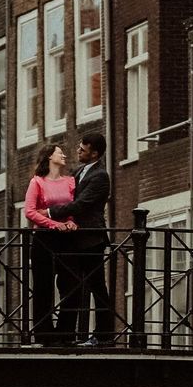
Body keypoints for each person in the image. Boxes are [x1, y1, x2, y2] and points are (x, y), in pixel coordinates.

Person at [62, 130, 113, 345]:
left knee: (97, 285)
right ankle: (67, 334)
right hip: (75, 238)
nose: (78, 151)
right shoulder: (79, 171)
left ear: (95, 154)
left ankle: (103, 335)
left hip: (91, 238)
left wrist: (50, 212)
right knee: (70, 285)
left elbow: (81, 204)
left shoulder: (100, 176)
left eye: (82, 149)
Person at [23, 143, 76, 344]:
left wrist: (71, 221)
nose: (64, 156)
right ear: (49, 157)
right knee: (43, 286)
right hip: (44, 239)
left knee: (71, 284)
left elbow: (73, 207)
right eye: (60, 153)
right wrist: (54, 224)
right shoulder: (37, 182)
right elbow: (30, 212)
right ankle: (44, 334)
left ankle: (66, 332)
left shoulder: (70, 182)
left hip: (67, 239)